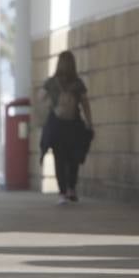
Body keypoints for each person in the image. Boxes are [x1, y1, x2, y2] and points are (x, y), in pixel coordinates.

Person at [42, 50, 94, 204]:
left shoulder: (51, 82)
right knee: (74, 158)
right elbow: (85, 104)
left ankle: (62, 193)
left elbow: (40, 98)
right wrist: (90, 123)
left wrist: (51, 104)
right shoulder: (78, 83)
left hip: (57, 125)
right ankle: (71, 188)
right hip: (74, 125)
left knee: (59, 158)